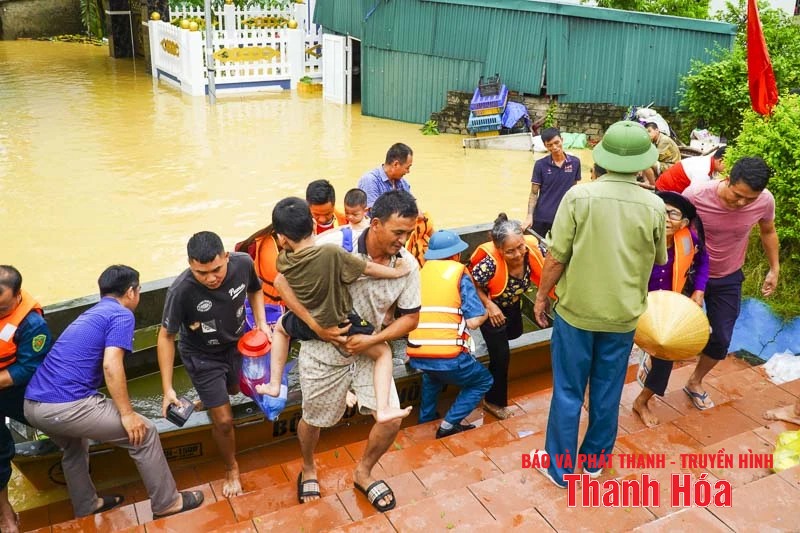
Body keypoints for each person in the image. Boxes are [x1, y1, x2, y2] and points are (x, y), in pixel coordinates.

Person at [531, 121, 667, 487]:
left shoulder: (579, 197)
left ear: (602, 158)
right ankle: (593, 464)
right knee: (607, 391)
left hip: (576, 313)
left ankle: (559, 469)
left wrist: (542, 297)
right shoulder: (655, 205)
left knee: (568, 390)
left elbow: (556, 257)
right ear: (643, 163)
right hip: (623, 315)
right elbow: (658, 259)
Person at [274, 190, 421, 512]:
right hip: (323, 348)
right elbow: (281, 282)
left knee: (391, 420)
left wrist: (370, 341)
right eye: (398, 233)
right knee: (313, 420)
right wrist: (315, 326)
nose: (403, 240)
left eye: (408, 233)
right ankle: (309, 466)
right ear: (376, 223)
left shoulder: (408, 265)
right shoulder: (330, 245)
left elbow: (411, 318)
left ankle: (364, 473)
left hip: (368, 345)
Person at [24, 266, 204, 518]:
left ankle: (87, 505)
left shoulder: (93, 313)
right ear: (131, 291)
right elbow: (111, 364)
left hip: (34, 406)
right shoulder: (121, 315)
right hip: (65, 406)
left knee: (74, 447)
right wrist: (128, 414)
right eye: (138, 290)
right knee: (145, 433)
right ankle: (167, 503)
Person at [255, 197, 412, 424]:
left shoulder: (284, 261)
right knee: (383, 353)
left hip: (307, 323)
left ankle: (274, 383)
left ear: (281, 239)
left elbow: (282, 282)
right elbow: (366, 268)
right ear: (313, 224)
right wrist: (397, 272)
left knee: (280, 329)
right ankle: (384, 407)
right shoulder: (330, 253)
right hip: (341, 323)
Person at [158, 231, 269, 498]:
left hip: (236, 344)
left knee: (234, 390)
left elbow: (255, 289)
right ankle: (231, 467)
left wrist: (262, 324)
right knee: (224, 419)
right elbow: (166, 336)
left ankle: (209, 398)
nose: (210, 278)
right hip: (202, 355)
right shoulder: (181, 290)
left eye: (216, 270)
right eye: (201, 272)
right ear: (190, 265)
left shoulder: (243, 263)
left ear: (226, 257)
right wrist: (167, 389)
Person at [681, 157, 779, 410]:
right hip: (689, 274)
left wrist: (774, 269)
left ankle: (695, 381)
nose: (742, 203)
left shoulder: (765, 200)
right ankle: (649, 386)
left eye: (750, 199)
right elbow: (673, 228)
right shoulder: (696, 195)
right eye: (737, 195)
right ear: (727, 180)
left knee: (722, 338)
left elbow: (768, 231)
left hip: (728, 276)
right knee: (673, 332)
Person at [632, 192, 709, 427]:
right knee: (610, 352)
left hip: (665, 309)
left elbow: (703, 261)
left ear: (683, 223)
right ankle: (591, 391)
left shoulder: (689, 240)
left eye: (673, 214)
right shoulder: (634, 234)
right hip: (630, 304)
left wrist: (699, 290)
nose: (665, 218)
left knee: (667, 353)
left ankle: (642, 401)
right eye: (660, 211)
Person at [407, 230, 492, 438]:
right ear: (455, 255)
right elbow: (473, 321)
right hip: (449, 356)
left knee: (432, 375)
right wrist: (489, 310)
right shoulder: (459, 273)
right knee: (482, 381)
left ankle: (425, 420)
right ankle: (448, 425)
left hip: (417, 353)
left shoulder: (420, 273)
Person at [469, 214, 549, 420]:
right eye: (510, 251)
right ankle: (493, 401)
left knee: (514, 333)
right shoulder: (489, 264)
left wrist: (543, 298)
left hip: (512, 303)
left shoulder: (532, 250)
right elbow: (471, 285)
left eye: (520, 247)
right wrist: (489, 305)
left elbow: (553, 264)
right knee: (501, 355)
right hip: (490, 308)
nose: (518, 254)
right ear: (499, 249)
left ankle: (494, 347)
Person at [0, 266, 51, 533]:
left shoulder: (32, 324)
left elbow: (28, 368)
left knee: (56, 423)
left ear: (17, 296)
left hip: (19, 392)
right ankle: (5, 514)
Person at [522, 127, 582, 237]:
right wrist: (529, 216)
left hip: (564, 218)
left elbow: (573, 190)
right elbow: (534, 193)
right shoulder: (540, 165)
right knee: (538, 250)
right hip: (541, 217)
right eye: (549, 145)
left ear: (562, 140)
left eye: (556, 143)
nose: (554, 147)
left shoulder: (575, 163)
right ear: (545, 146)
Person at [357, 143, 413, 210]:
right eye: (407, 168)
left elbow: (412, 204)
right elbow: (375, 212)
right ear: (396, 164)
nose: (408, 171)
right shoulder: (370, 180)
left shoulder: (402, 182)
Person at [656, 145, 727, 193]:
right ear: (720, 161)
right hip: (663, 191)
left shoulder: (707, 161)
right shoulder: (703, 170)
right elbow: (695, 196)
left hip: (667, 187)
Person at [641, 122, 681, 188]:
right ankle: (648, 181)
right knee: (645, 160)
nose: (648, 134)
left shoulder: (664, 140)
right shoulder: (655, 140)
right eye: (646, 132)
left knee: (647, 162)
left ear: (657, 130)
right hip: (663, 164)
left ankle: (652, 185)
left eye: (649, 131)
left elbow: (654, 157)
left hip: (672, 166)